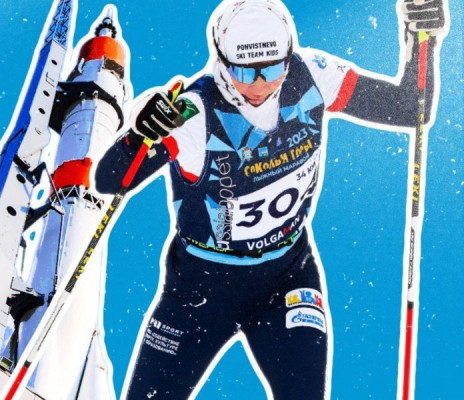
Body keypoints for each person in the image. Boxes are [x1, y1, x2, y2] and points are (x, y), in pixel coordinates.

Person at [93, 0, 447, 399]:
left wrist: (422, 40)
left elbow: (409, 109)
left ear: (288, 56)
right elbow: (109, 181)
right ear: (222, 61)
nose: (260, 86)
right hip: (200, 290)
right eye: (245, 72)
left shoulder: (312, 74)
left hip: (287, 279)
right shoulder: (193, 112)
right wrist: (139, 134)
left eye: (273, 68)